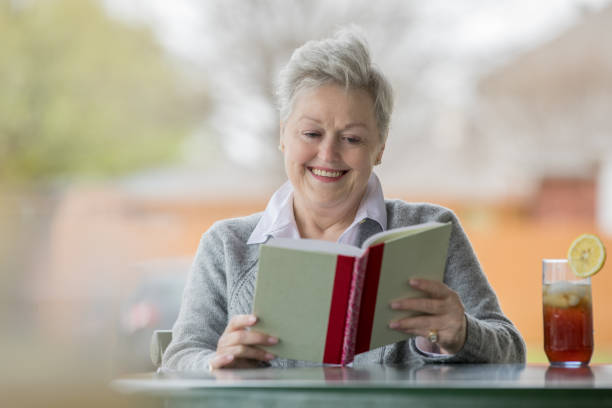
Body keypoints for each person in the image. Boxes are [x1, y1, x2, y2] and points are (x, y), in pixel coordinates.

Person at [162, 28, 526, 371]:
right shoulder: (227, 245)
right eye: (311, 133)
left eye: (352, 138)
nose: (328, 153)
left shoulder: (432, 230)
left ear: (380, 147)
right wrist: (215, 362)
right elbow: (180, 356)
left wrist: (462, 333)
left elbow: (512, 351)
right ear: (283, 136)